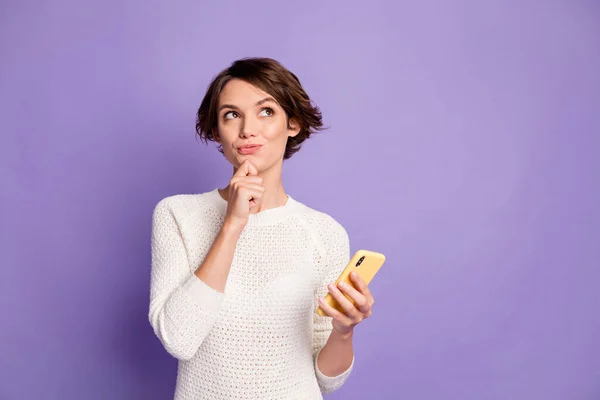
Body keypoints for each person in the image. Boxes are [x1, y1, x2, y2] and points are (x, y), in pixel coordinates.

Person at [148, 57, 376, 399]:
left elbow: (328, 380)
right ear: (216, 131)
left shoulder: (323, 232)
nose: (247, 129)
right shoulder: (177, 215)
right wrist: (233, 224)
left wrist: (344, 331)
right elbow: (179, 338)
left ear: (293, 123)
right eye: (231, 115)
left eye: (265, 111)